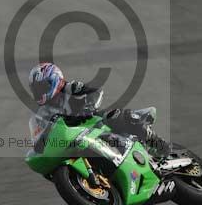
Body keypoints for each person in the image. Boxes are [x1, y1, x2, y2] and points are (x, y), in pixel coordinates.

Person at [28, 62, 172, 159]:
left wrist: (87, 108)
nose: (40, 92)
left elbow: (96, 91)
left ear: (53, 80)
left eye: (42, 87)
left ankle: (156, 142)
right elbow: (40, 132)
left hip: (92, 121)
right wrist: (39, 144)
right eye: (36, 89)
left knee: (113, 116)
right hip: (73, 137)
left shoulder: (70, 88)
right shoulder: (44, 111)